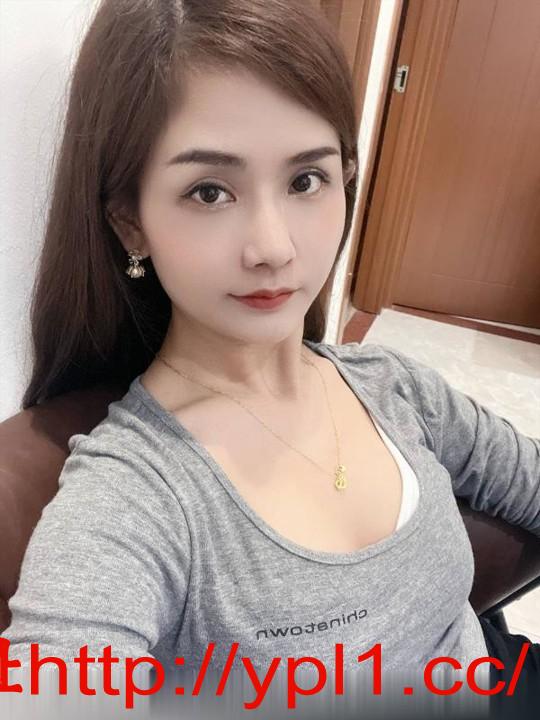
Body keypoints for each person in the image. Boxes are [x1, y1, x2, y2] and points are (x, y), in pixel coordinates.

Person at [2, 1, 539, 718]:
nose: (274, 247)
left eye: (306, 180)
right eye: (210, 191)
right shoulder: (137, 493)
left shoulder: (396, 387)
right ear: (131, 222)